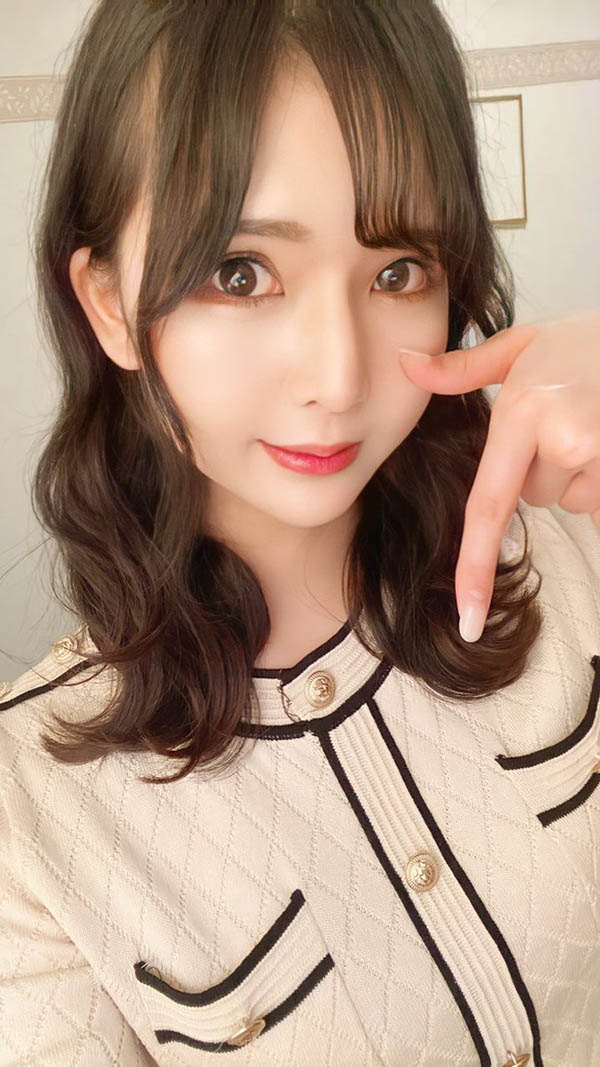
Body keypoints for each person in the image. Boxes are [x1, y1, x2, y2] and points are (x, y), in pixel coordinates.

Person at [1, 2, 599, 1065]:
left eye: (398, 270)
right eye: (240, 272)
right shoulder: (31, 810)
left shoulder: (567, 541)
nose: (338, 377)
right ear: (108, 303)